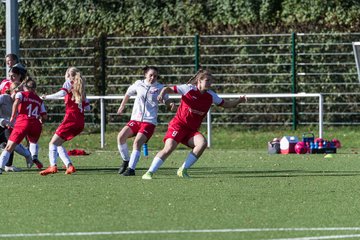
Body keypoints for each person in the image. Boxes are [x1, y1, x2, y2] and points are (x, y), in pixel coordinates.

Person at [142, 69, 247, 180]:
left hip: (191, 130)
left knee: (202, 143)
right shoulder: (188, 89)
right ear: (199, 81)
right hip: (178, 125)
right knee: (169, 148)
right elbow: (167, 89)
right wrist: (162, 94)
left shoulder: (211, 95)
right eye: (207, 80)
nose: (210, 83)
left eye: (211, 81)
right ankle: (149, 172)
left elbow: (226, 104)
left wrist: (238, 101)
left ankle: (182, 170)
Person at [117, 66, 175, 176]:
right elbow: (129, 92)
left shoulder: (160, 88)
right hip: (135, 119)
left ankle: (131, 169)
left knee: (137, 142)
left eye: (155, 76)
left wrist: (171, 104)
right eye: (151, 75)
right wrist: (122, 105)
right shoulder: (139, 84)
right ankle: (126, 161)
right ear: (145, 75)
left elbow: (167, 100)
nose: (153, 78)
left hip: (149, 121)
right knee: (120, 137)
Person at [39, 67, 90, 176]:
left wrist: (46, 97)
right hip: (80, 121)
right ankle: (69, 166)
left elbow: (62, 93)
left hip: (71, 118)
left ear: (68, 75)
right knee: (58, 144)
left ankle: (53, 166)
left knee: (52, 143)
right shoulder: (81, 88)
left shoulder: (69, 82)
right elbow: (88, 108)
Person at [0, 78, 47, 174]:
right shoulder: (38, 99)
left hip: (22, 123)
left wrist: (12, 117)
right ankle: (33, 156)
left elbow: (16, 104)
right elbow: (44, 116)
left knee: (9, 146)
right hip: (35, 124)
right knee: (33, 142)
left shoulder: (20, 95)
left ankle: (2, 167)